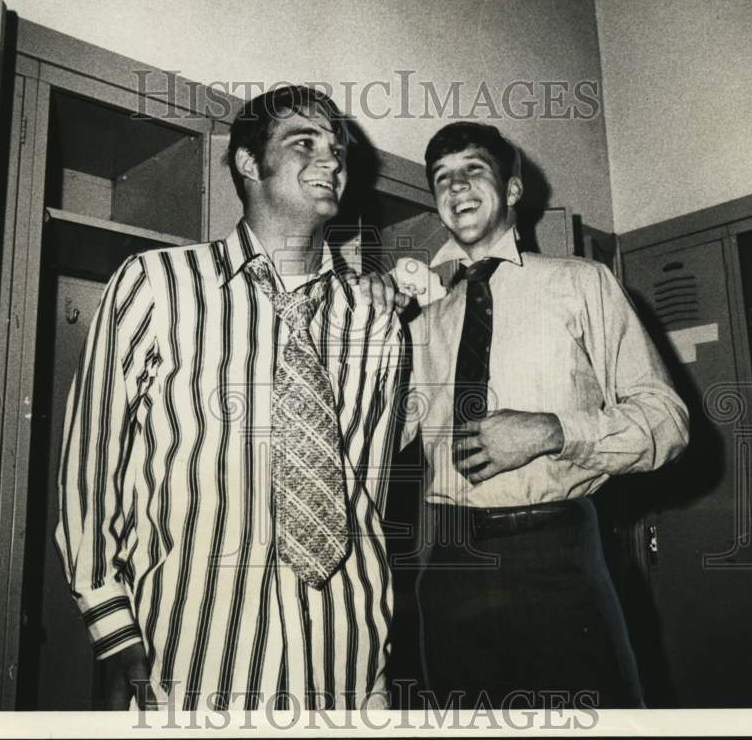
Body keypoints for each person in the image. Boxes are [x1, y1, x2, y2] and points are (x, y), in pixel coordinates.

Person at [55, 86, 405, 711]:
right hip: (192, 657)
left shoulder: (373, 318)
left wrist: (372, 656)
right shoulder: (155, 286)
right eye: (306, 143)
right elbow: (91, 465)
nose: (332, 161)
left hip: (344, 657)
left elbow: (368, 489)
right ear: (248, 162)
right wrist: (111, 629)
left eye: (338, 150)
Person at [397, 121, 689, 709]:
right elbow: (372, 433)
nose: (456, 187)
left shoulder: (583, 284)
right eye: (441, 178)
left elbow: (668, 419)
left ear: (511, 189)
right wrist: (367, 321)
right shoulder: (422, 324)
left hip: (556, 555)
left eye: (473, 169)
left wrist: (553, 432)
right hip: (449, 561)